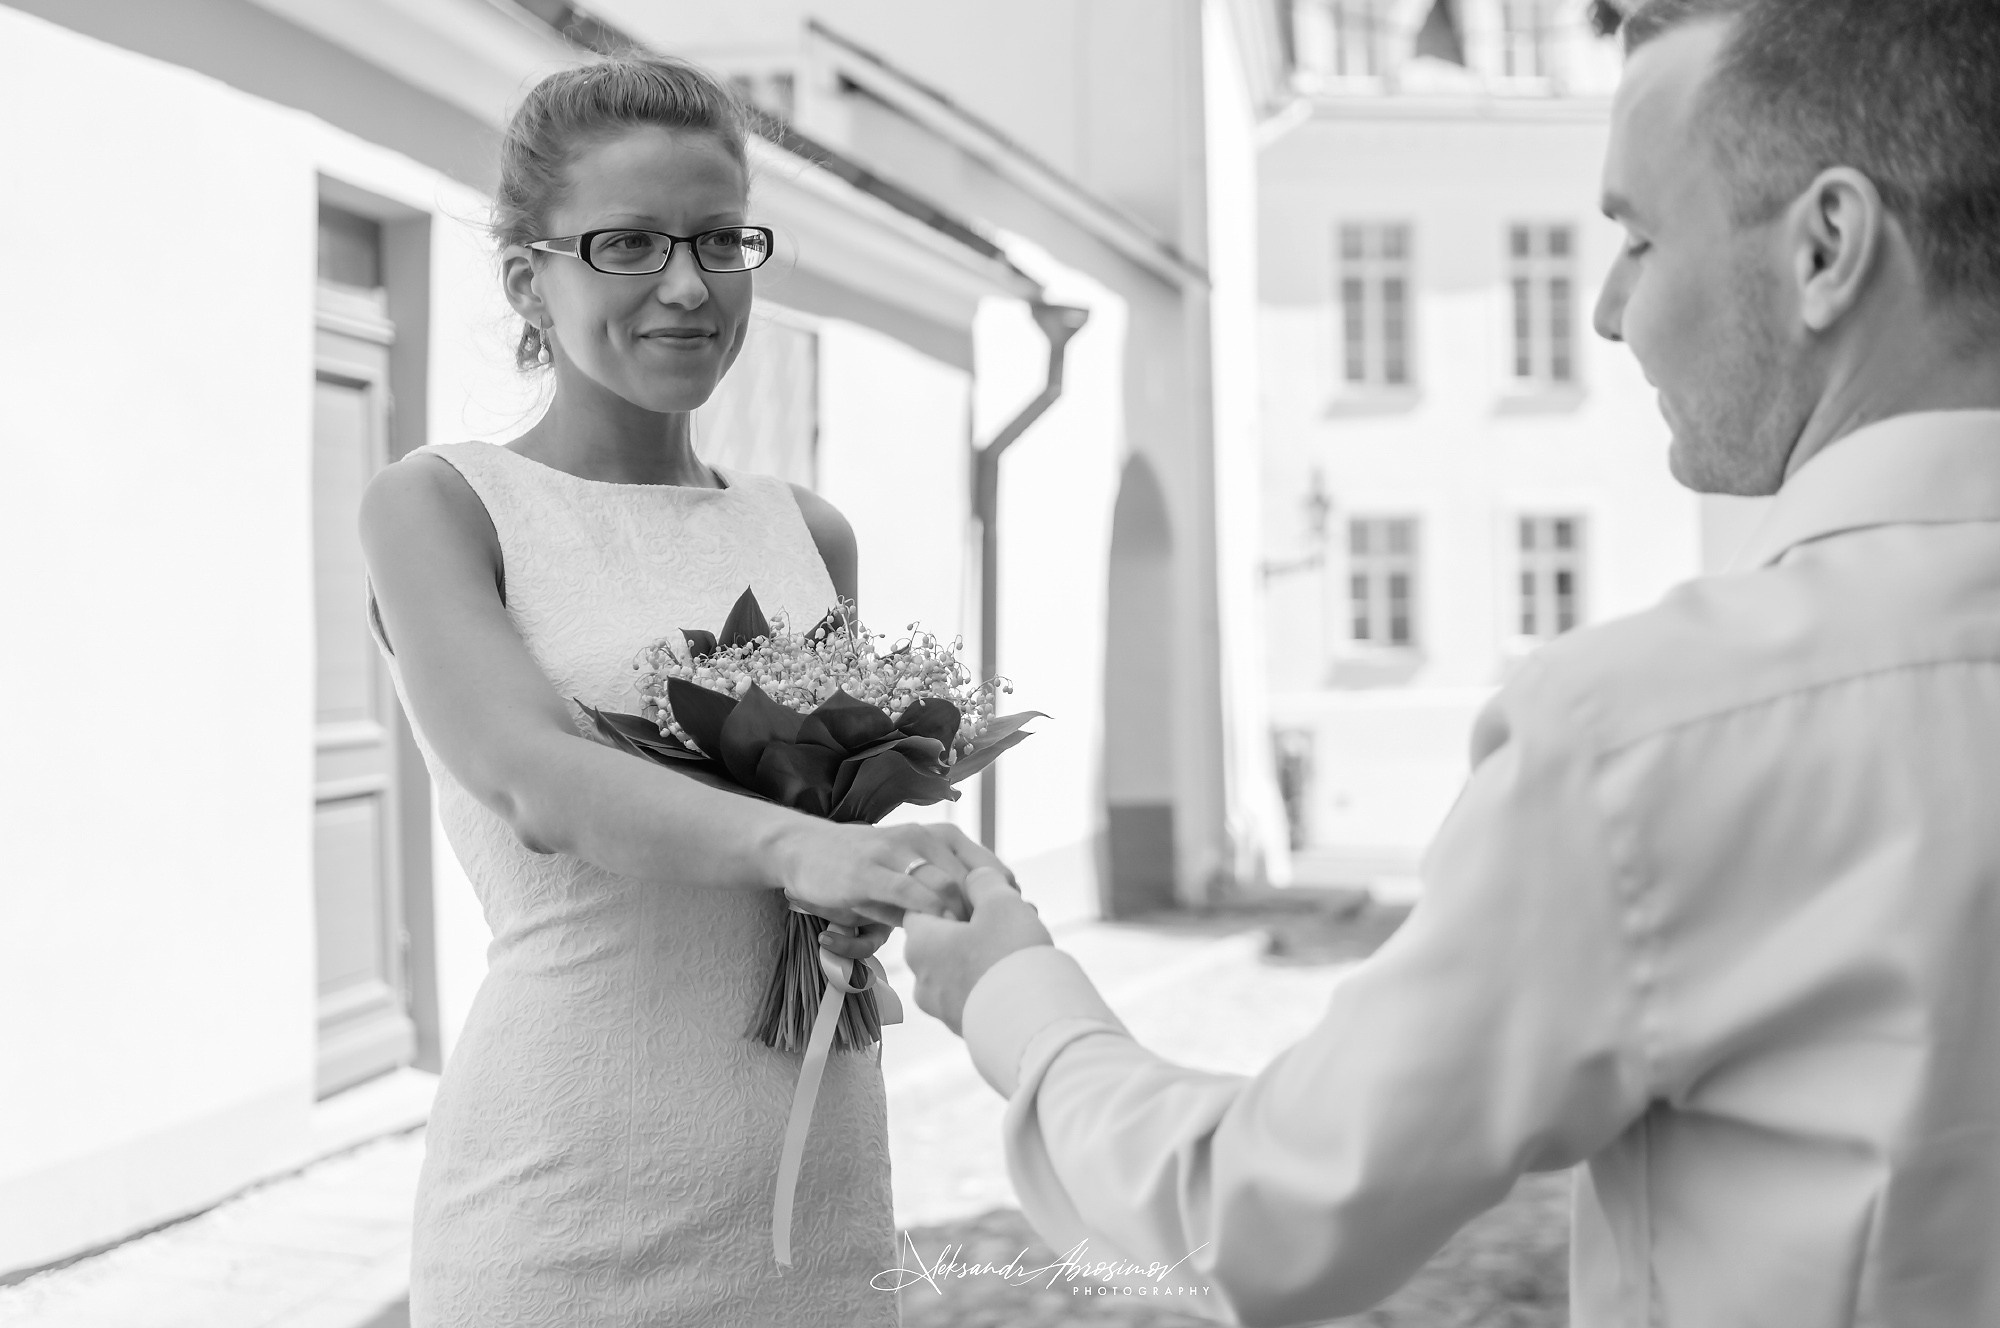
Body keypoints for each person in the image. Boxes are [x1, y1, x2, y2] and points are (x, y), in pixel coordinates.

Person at [905, 1, 2000, 1323]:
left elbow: (1256, 1213)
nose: (1607, 314)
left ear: (1825, 246)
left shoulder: (1644, 736)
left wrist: (1014, 996)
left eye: (1638, 240)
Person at [360, 55, 986, 1326]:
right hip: (562, 1196)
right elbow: (531, 779)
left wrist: (867, 891)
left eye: (718, 238)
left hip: (814, 1185)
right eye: (629, 243)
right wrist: (801, 847)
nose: (689, 285)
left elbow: (814, 848)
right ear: (528, 277)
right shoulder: (442, 504)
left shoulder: (806, 530)